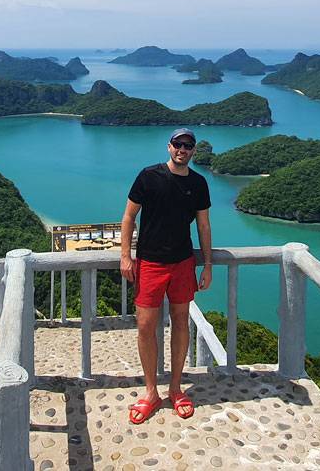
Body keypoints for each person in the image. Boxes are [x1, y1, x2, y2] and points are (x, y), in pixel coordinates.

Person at [120, 128, 212, 424]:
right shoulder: (148, 177)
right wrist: (125, 256)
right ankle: (150, 392)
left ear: (194, 151)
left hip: (182, 262)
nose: (182, 149)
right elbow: (129, 217)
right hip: (149, 263)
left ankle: (175, 388)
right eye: (177, 144)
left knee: (181, 322)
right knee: (146, 326)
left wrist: (207, 264)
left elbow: (203, 226)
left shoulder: (198, 184)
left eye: (188, 146)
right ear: (169, 147)